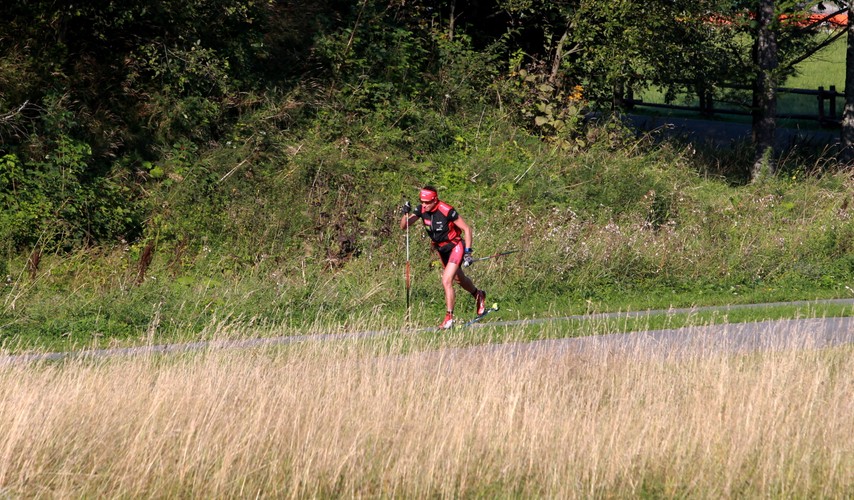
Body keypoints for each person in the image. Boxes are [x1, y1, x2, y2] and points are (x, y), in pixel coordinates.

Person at [400, 185, 486, 329]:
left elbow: (467, 229)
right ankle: (479, 295)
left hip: (455, 246)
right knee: (459, 279)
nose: (424, 205)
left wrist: (468, 252)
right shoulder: (421, 209)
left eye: (427, 202)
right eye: (422, 201)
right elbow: (405, 226)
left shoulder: (446, 210)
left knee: (446, 280)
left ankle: (449, 318)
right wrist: (405, 214)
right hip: (441, 249)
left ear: (435, 200)